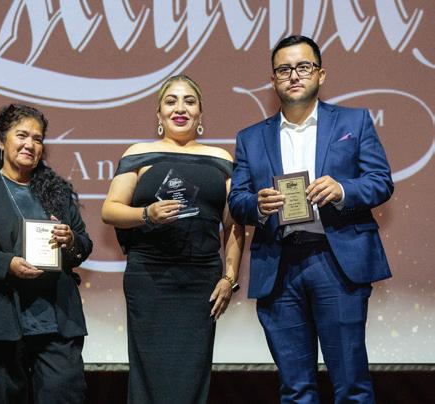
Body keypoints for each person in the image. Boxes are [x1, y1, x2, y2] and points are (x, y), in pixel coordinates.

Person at [228, 35, 393, 403]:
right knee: (295, 389)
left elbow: (381, 182)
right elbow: (237, 201)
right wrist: (257, 204)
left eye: (303, 67)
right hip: (279, 264)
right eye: (284, 69)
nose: (294, 75)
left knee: (351, 386)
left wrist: (343, 189)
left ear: (321, 74)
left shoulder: (354, 121)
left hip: (336, 261)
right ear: (272, 80)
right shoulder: (250, 138)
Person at [102, 74, 244, 404]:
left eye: (189, 101)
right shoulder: (139, 153)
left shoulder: (222, 159)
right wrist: (146, 214)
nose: (180, 108)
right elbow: (110, 209)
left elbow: (234, 225)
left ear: (200, 113)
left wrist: (229, 278)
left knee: (192, 376)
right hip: (149, 277)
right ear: (159, 114)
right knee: (148, 374)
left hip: (201, 281)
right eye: (171, 101)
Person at [0, 104, 92, 404]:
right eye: (22, 135)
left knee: (65, 395)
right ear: (1, 141)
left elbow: (84, 243)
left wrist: (70, 240)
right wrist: (7, 263)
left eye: (37, 139)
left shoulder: (57, 190)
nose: (30, 144)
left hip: (55, 320)